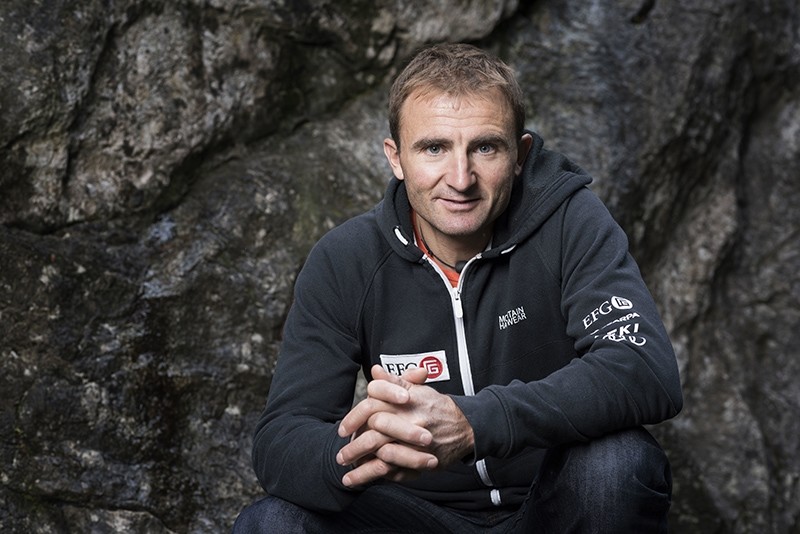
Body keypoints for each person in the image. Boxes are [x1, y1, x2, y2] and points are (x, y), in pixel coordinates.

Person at [233, 42, 683, 533]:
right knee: (273, 522)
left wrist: (474, 422)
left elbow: (643, 369)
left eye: (485, 147)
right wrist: (372, 447)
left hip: (549, 507)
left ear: (520, 154)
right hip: (415, 518)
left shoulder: (569, 220)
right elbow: (281, 439)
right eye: (434, 148)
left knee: (617, 464)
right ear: (396, 158)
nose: (461, 178)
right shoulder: (347, 261)